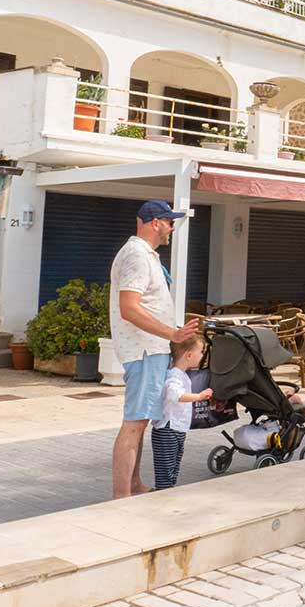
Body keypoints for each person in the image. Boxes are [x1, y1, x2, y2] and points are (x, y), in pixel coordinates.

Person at [110, 200, 200, 499]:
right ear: (155, 223)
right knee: (134, 425)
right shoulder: (137, 255)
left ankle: (134, 485)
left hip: (150, 350)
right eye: (170, 221)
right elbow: (129, 308)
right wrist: (172, 334)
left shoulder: (143, 255)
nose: (172, 227)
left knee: (141, 421)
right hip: (145, 352)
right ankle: (121, 498)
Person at [152, 334, 213, 490]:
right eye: (201, 352)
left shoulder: (181, 375)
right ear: (189, 355)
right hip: (168, 429)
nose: (202, 356)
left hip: (177, 428)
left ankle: (167, 493)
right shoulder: (174, 376)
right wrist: (199, 396)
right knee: (166, 470)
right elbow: (175, 394)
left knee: (173, 468)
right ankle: (163, 496)